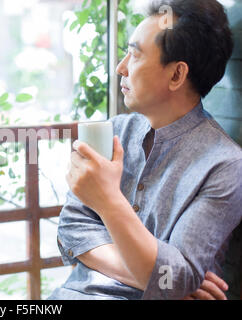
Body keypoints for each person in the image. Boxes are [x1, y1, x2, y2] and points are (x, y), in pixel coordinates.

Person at [48, 0, 241, 300]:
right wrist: (156, 280)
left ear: (177, 75)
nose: (120, 67)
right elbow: (71, 229)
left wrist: (109, 200)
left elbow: (176, 277)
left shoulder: (225, 166)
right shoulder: (115, 131)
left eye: (135, 55)